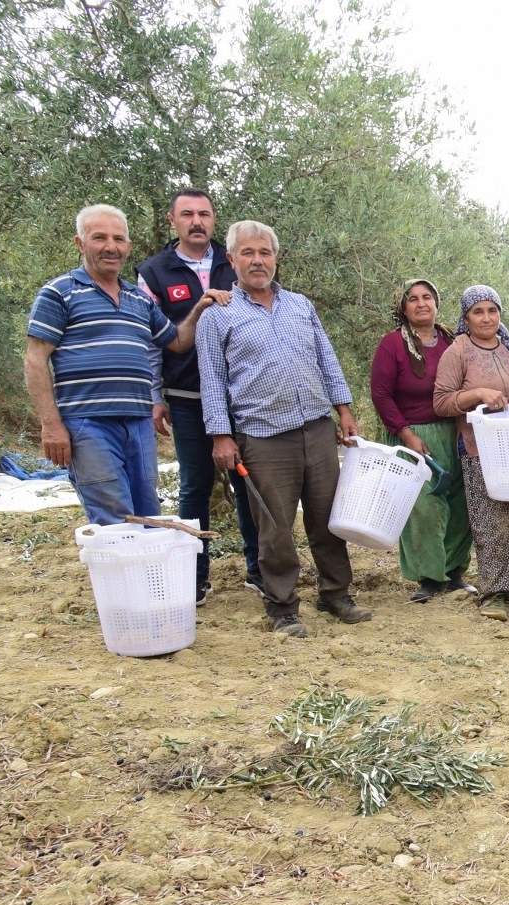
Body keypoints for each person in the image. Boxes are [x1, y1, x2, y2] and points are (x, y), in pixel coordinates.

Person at [196, 220, 371, 638]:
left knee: (327, 518)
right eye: (248, 253)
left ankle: (335, 594)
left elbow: (326, 358)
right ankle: (282, 607)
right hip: (262, 435)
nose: (257, 261)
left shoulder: (300, 305)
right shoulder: (216, 316)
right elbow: (212, 379)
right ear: (231, 259)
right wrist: (221, 435)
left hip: (317, 429)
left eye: (265, 252)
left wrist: (344, 409)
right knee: (274, 528)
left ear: (276, 258)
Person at [25, 204, 224, 527]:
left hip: (139, 422)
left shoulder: (139, 299)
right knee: (114, 519)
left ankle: (146, 564)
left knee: (148, 514)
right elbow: (35, 360)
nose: (110, 247)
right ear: (80, 243)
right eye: (99, 238)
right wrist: (51, 425)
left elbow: (176, 341)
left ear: (128, 246)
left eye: (118, 239)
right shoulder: (59, 293)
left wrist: (200, 307)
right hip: (88, 423)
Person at [136, 188, 261, 603]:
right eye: (187, 214)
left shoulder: (234, 259)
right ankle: (194, 576)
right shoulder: (154, 272)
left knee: (248, 481)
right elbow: (151, 340)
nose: (197, 222)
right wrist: (155, 395)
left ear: (213, 219)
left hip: (239, 394)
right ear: (172, 220)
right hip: (186, 394)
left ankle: (258, 568)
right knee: (195, 485)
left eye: (204, 214)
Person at [432, 285, 509, 621]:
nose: (486, 318)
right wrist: (478, 394)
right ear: (466, 317)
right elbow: (441, 402)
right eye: (478, 312)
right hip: (482, 448)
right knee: (495, 519)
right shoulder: (458, 351)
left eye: (492, 310)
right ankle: (494, 593)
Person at [369, 279, 475, 602]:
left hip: (453, 430)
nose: (421, 303)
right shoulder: (392, 345)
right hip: (412, 435)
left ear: (436, 303)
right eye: (412, 299)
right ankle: (429, 577)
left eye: (427, 297)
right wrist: (407, 434)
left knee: (459, 503)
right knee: (423, 505)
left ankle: (453, 572)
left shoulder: (451, 341)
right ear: (403, 308)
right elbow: (381, 395)